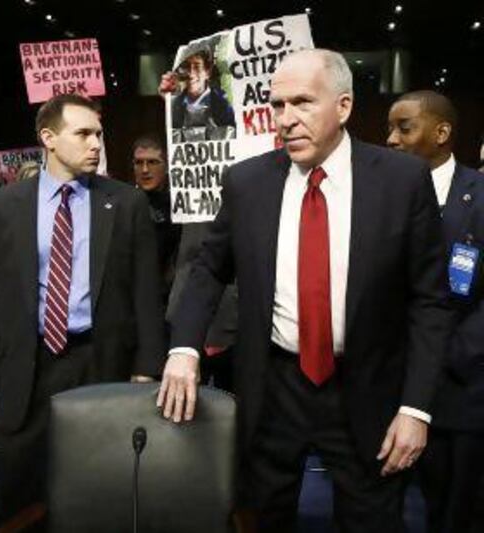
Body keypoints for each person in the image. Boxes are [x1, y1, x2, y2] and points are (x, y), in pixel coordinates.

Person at [158, 50, 451, 532]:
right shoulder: (247, 182)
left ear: (344, 106)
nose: (286, 120)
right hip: (272, 386)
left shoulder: (402, 181)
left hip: (368, 388)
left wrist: (416, 407)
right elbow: (208, 269)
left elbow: (430, 301)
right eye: (277, 105)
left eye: (302, 103)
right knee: (261, 517)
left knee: (372, 520)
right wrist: (184, 348)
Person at [0, 93, 166, 529]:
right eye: (84, 134)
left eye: (99, 134)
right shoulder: (0, 207)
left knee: (101, 491)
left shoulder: (127, 203)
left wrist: (147, 367)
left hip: (100, 360)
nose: (96, 144)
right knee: (19, 494)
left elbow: (148, 295)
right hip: (25, 367)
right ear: (49, 138)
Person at [387, 90, 484, 533]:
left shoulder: (479, 195)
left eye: (404, 128)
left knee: (451, 510)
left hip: (460, 385)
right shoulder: (378, 195)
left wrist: (447, 354)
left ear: (442, 133)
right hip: (390, 381)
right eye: (390, 128)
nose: (391, 139)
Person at [131, 136, 180, 305]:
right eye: (139, 163)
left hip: (172, 296)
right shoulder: (123, 203)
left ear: (166, 166)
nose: (145, 170)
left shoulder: (180, 205)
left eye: (152, 162)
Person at [168, 49, 235, 142]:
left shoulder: (227, 105)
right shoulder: (172, 105)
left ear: (208, 72)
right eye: (186, 67)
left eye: (197, 66)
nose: (191, 74)